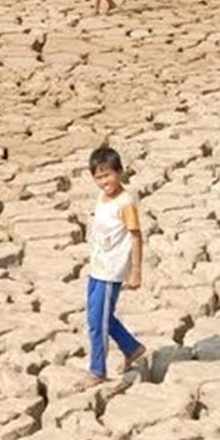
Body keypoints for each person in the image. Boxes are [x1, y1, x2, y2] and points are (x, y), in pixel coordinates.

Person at [83, 146, 145, 385]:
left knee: (98, 323)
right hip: (97, 266)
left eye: (107, 175)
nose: (103, 181)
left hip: (111, 270)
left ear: (119, 172)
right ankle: (132, 347)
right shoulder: (102, 197)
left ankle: (97, 370)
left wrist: (136, 271)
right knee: (97, 317)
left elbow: (136, 236)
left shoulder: (125, 202)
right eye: (98, 177)